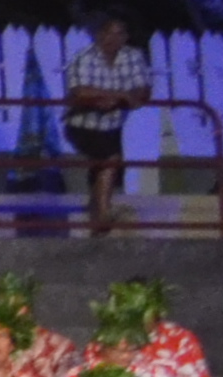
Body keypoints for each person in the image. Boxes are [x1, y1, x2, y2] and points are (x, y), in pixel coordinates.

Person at [60, 18, 154, 238]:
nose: (113, 39)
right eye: (108, 33)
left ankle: (96, 214)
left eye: (119, 34)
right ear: (99, 35)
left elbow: (143, 89)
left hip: (112, 124)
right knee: (110, 159)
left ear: (125, 37)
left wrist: (120, 99)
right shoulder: (84, 58)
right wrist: (118, 95)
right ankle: (102, 214)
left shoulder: (132, 56)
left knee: (107, 167)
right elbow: (80, 92)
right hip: (82, 123)